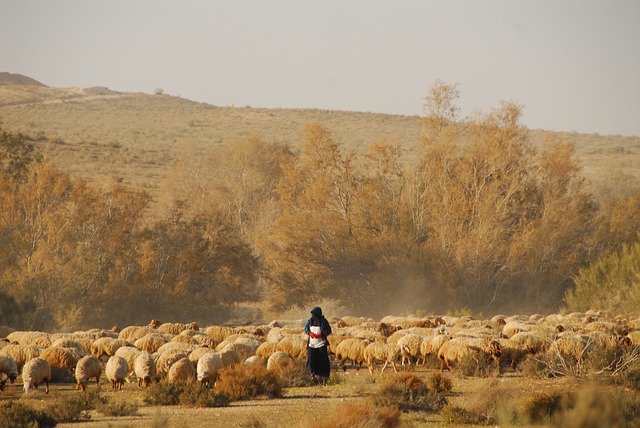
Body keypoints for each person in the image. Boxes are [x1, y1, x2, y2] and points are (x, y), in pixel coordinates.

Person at [304, 306, 332, 383]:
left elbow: (329, 330)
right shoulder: (310, 321)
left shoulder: (323, 321)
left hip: (321, 344)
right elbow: (306, 329)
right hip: (311, 345)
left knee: (322, 361)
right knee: (311, 360)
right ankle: (312, 376)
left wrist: (322, 334)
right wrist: (310, 333)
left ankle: (323, 377)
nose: (313, 315)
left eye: (315, 313)